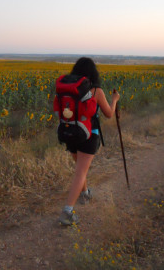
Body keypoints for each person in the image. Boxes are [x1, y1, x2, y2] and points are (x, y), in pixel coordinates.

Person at [58, 57, 120, 226]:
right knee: (80, 172)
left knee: (80, 169)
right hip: (88, 135)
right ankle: (67, 212)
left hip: (69, 132)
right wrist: (115, 100)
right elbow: (108, 114)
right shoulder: (95, 91)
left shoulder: (68, 90)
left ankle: (85, 194)